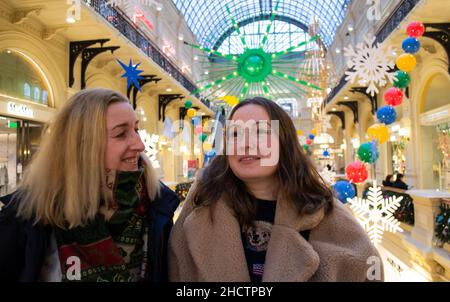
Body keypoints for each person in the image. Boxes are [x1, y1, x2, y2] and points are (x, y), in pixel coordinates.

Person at [169, 97, 382, 282]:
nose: (245, 144)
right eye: (234, 134)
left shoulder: (327, 215)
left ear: (284, 142)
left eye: (260, 132)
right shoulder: (201, 208)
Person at [0, 88, 180, 281]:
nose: (140, 145)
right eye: (121, 134)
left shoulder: (156, 207)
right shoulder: (24, 216)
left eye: (136, 129)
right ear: (82, 145)